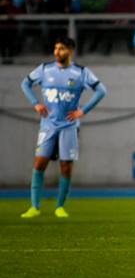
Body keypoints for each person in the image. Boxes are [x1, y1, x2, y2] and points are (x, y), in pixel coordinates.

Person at [19, 37, 107, 219]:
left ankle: (60, 206)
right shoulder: (45, 69)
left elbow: (101, 91)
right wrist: (36, 103)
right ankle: (34, 207)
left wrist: (82, 111)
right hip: (48, 125)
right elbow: (25, 84)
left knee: (66, 166)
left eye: (61, 48)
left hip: (69, 126)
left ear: (70, 51)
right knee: (39, 163)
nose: (57, 52)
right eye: (55, 48)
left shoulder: (81, 72)